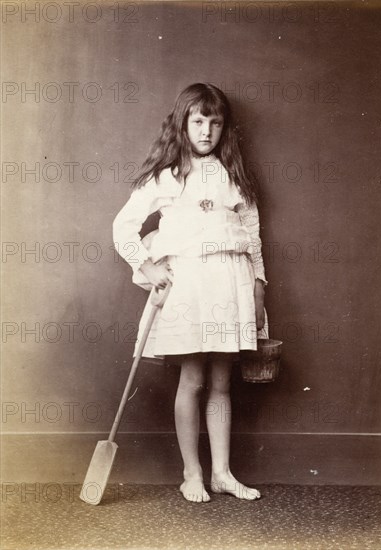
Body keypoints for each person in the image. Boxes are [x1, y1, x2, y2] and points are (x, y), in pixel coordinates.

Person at [113, 83, 268, 503]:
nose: (206, 131)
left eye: (215, 123)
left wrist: (257, 287)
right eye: (198, 121)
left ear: (224, 128)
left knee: (222, 381)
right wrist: (145, 265)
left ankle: (221, 472)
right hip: (190, 287)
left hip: (230, 283)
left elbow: (252, 237)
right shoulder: (165, 176)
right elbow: (123, 226)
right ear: (183, 123)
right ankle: (192, 473)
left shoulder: (235, 177)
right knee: (193, 378)